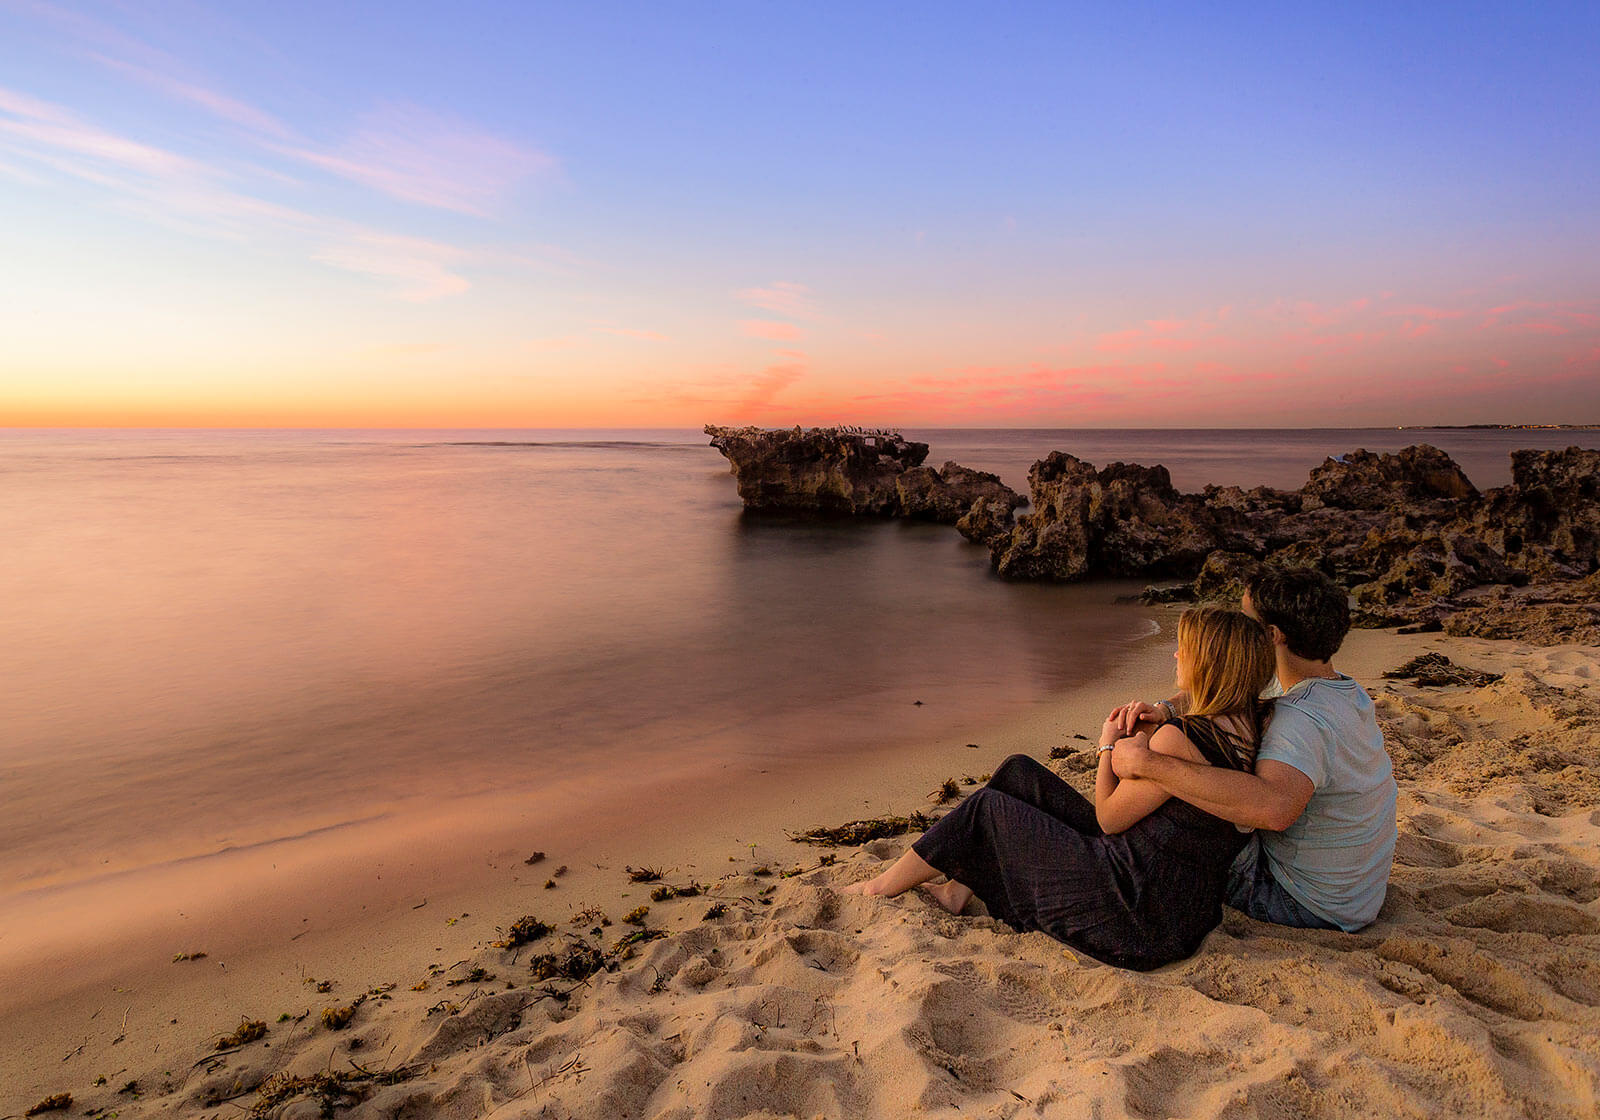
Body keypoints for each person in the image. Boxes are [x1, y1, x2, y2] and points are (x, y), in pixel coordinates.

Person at [843, 607, 1276, 971]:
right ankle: (957, 891)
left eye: (1187, 649)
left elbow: (1108, 818)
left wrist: (1109, 745)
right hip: (1177, 911)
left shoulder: (1176, 741)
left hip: (1132, 913)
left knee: (988, 810)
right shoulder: (1248, 729)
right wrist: (1165, 710)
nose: (1177, 653)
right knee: (1018, 772)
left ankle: (878, 888)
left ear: (1208, 665)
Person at [1109, 565, 1396, 932]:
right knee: (1203, 751)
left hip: (1301, 901)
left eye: (1246, 621)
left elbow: (1276, 810)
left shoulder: (1299, 720)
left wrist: (1150, 764)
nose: (1238, 630)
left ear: (1272, 635)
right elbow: (1228, 685)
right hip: (1356, 894)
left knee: (1185, 777)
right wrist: (1167, 708)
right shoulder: (1340, 690)